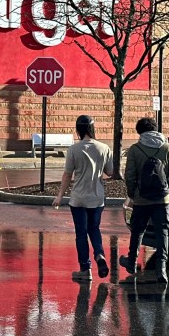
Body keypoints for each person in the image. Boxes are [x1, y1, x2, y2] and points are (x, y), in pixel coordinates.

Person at [52, 115, 114, 281]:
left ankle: (85, 269)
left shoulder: (74, 149)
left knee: (81, 233)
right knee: (94, 229)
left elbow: (67, 174)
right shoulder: (104, 148)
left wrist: (59, 196)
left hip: (78, 198)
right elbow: (110, 172)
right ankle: (99, 254)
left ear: (78, 130)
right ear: (93, 129)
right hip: (97, 197)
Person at [121, 117, 169, 283]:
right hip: (162, 200)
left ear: (139, 131)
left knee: (137, 230)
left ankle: (132, 262)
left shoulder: (135, 149)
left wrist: (133, 194)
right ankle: (161, 269)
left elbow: (129, 175)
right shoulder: (168, 148)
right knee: (163, 233)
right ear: (155, 129)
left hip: (142, 199)